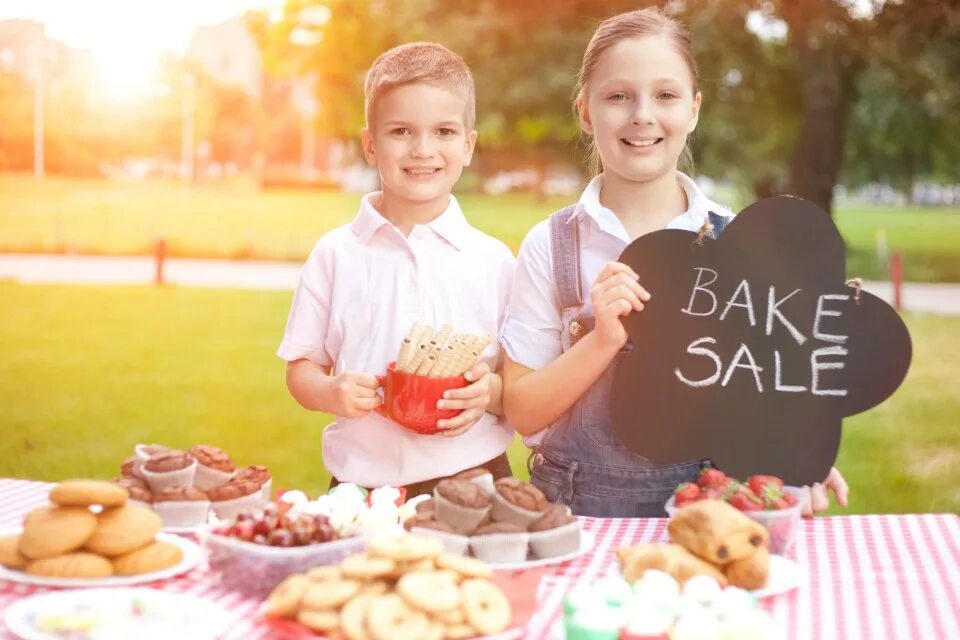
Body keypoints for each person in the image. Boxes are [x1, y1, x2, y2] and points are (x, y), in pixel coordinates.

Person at [500, 7, 849, 517]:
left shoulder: (741, 243)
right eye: (618, 96)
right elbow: (521, 410)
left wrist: (798, 455)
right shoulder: (551, 246)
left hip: (707, 511)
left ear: (694, 109)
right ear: (586, 111)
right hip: (575, 517)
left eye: (665, 95)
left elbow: (763, 390)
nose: (642, 114)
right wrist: (600, 340)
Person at [278, 42, 515, 496]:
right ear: (370, 144)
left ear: (468, 146)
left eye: (444, 131)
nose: (423, 149)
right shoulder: (336, 254)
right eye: (401, 131)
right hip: (363, 485)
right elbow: (301, 368)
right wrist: (331, 393)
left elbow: (518, 383)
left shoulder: (494, 261)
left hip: (476, 478)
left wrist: (491, 392)